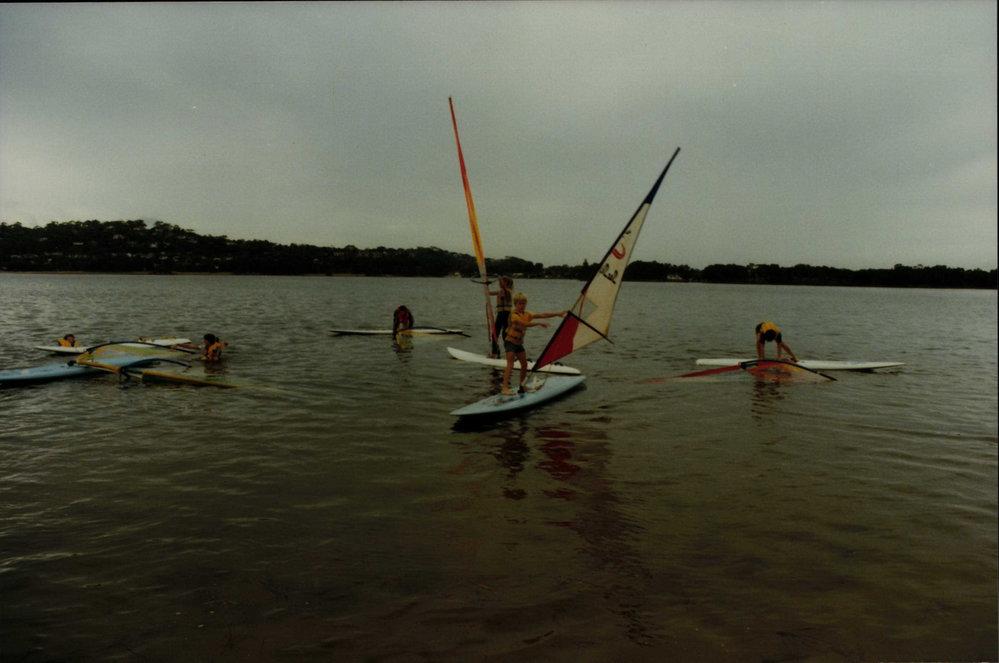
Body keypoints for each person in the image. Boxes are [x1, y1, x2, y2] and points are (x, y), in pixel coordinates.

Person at [501, 293, 566, 395]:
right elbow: (525, 324)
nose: (522, 306)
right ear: (515, 304)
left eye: (523, 303)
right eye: (519, 304)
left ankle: (522, 385)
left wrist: (558, 314)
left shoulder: (527, 314)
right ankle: (504, 388)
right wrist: (539, 323)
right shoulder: (514, 315)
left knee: (524, 364)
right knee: (510, 364)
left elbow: (543, 315)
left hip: (518, 343)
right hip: (510, 342)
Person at [488, 275, 514, 358]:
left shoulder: (507, 291)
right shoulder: (501, 291)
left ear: (506, 283)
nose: (499, 283)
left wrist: (500, 279)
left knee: (505, 335)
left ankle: (508, 354)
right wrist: (486, 286)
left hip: (506, 314)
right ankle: (495, 352)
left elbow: (505, 292)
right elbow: (488, 293)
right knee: (495, 333)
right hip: (500, 314)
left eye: (501, 282)